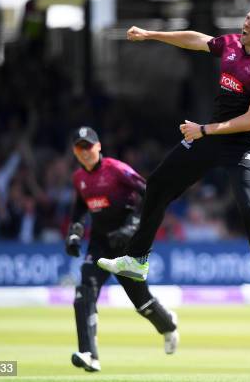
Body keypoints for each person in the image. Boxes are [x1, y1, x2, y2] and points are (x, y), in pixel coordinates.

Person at [97, 0, 250, 310]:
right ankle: (137, 259)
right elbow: (196, 39)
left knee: (249, 206)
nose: (246, 24)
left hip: (243, 144)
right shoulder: (231, 44)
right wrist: (152, 35)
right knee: (159, 184)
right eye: (247, 18)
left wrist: (204, 130)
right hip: (212, 135)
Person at [66, 127, 179, 372]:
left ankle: (168, 325)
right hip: (99, 244)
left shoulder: (116, 169)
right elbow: (79, 209)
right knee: (84, 291)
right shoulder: (79, 179)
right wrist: (74, 233)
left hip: (127, 245)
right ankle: (89, 355)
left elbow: (151, 194)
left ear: (98, 147)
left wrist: (134, 227)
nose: (84, 153)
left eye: (88, 146)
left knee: (142, 303)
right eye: (79, 148)